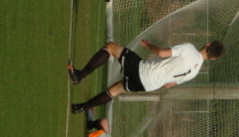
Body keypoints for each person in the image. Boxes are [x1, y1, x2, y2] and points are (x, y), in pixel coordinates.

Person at [69, 39, 225, 113]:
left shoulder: (190, 48)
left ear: (208, 44)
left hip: (144, 71)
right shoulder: (195, 72)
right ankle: (81, 107)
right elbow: (168, 85)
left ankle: (80, 75)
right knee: (116, 89)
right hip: (149, 85)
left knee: (111, 47)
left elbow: (162, 53)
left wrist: (149, 45)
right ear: (213, 59)